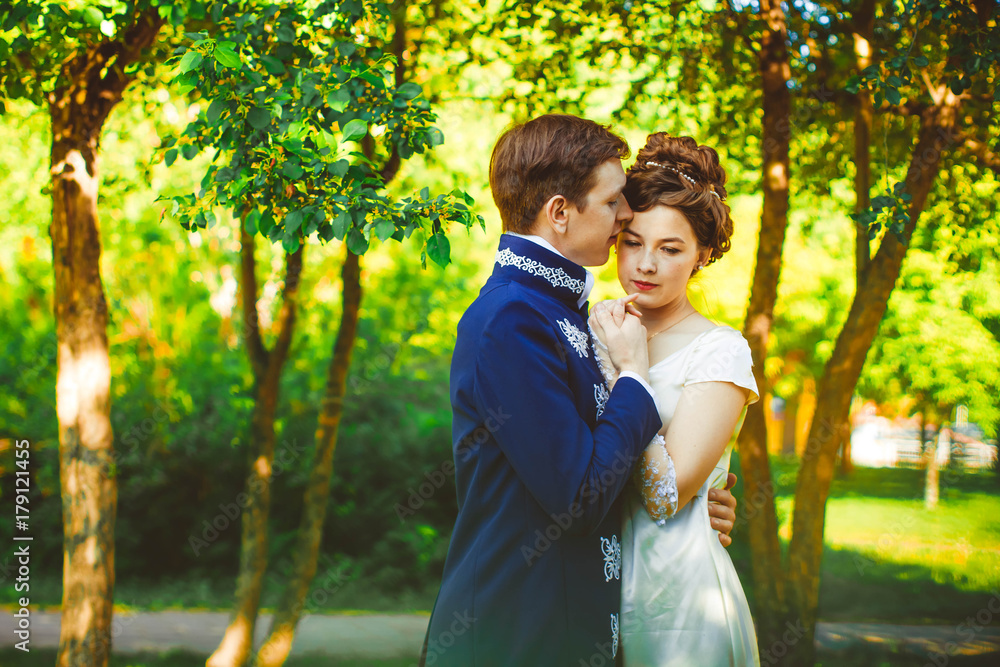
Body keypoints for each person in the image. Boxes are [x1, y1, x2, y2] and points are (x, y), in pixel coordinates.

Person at [420, 115, 739, 667]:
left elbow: (599, 462)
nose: (624, 217)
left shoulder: (568, 313)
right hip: (515, 634)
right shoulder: (513, 318)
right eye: (616, 206)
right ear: (561, 212)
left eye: (668, 247)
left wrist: (698, 506)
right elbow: (579, 496)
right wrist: (634, 378)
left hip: (579, 625)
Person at [590, 133, 760, 666]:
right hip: (593, 585)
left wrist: (631, 372)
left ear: (702, 255)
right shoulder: (596, 325)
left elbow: (666, 497)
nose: (646, 264)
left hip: (680, 598)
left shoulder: (721, 351)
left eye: (670, 249)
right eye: (633, 242)